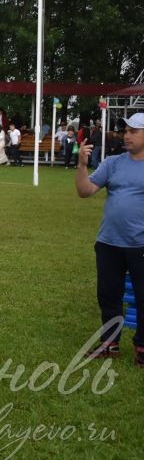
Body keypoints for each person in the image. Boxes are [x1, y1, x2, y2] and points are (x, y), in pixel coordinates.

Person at [75, 112, 144, 367]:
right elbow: (85, 191)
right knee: (108, 296)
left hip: (141, 246)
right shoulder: (112, 163)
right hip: (109, 243)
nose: (126, 135)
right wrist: (81, 165)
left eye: (133, 131)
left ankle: (142, 347)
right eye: (125, 131)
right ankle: (109, 343)